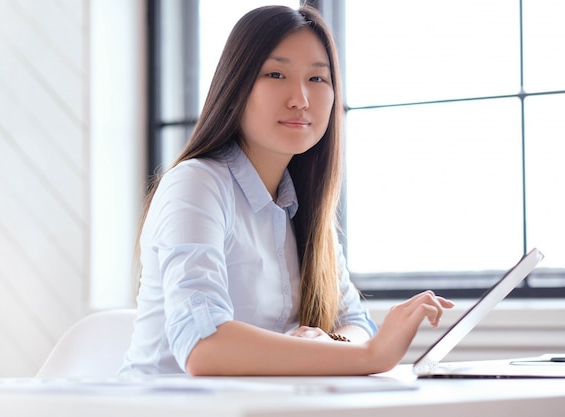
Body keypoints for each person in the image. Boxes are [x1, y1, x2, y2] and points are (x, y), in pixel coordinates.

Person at [119, 4, 454, 377]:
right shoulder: (196, 184)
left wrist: (330, 343)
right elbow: (203, 347)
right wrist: (370, 356)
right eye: (276, 74)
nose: (300, 98)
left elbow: (355, 322)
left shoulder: (304, 205)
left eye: (317, 79)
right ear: (236, 86)